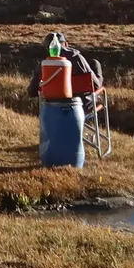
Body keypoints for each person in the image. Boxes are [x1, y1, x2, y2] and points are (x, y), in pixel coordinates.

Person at [36, 31, 97, 168]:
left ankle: (52, 147)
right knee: (96, 72)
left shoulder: (45, 64)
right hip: (83, 107)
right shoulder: (78, 58)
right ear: (67, 44)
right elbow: (96, 85)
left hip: (52, 109)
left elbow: (33, 90)